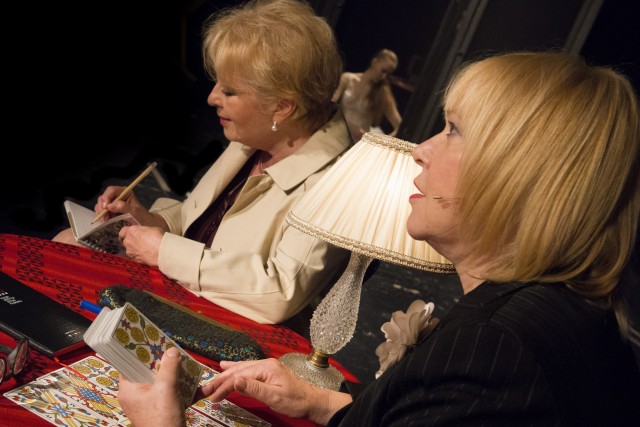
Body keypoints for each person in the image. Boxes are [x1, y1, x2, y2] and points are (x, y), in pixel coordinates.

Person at [117, 51, 640, 425]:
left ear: (518, 178)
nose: (422, 150)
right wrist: (325, 402)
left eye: (454, 130)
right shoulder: (556, 313)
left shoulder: (494, 349)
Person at [53, 0, 351, 325]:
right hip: (186, 290)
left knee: (67, 267)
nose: (212, 98)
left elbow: (279, 294)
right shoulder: (258, 136)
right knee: (67, 244)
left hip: (228, 325)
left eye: (229, 91)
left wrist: (163, 251)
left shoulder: (334, 184)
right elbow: (199, 224)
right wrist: (146, 219)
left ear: (282, 107)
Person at [332, 48, 403, 142]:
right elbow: (331, 103)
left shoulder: (382, 93)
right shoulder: (348, 78)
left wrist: (382, 142)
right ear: (374, 62)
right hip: (337, 134)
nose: (384, 76)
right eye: (383, 71)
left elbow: (400, 125)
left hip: (358, 142)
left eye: (388, 74)